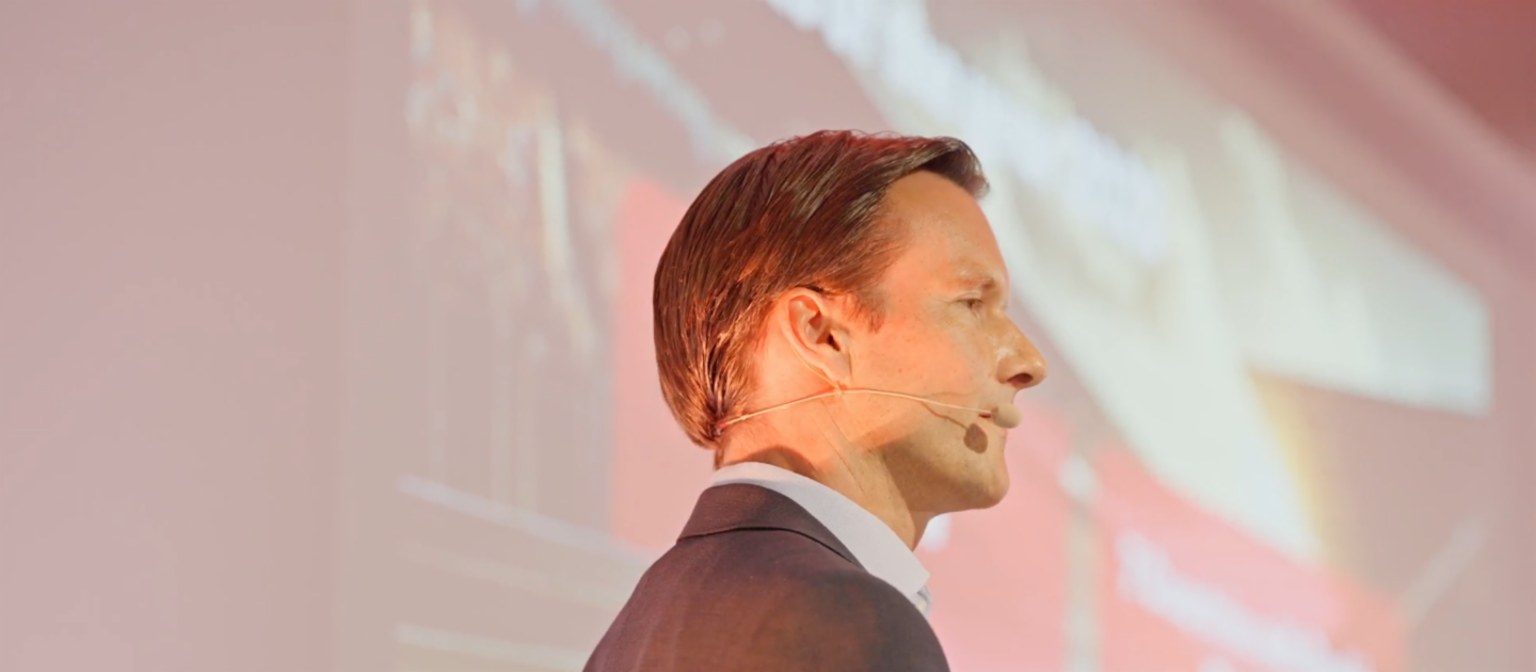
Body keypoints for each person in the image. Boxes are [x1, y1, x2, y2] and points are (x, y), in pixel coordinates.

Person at [584, 131, 1048, 672]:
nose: (1029, 362)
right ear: (821, 334)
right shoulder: (850, 621)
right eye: (972, 303)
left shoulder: (640, 627)